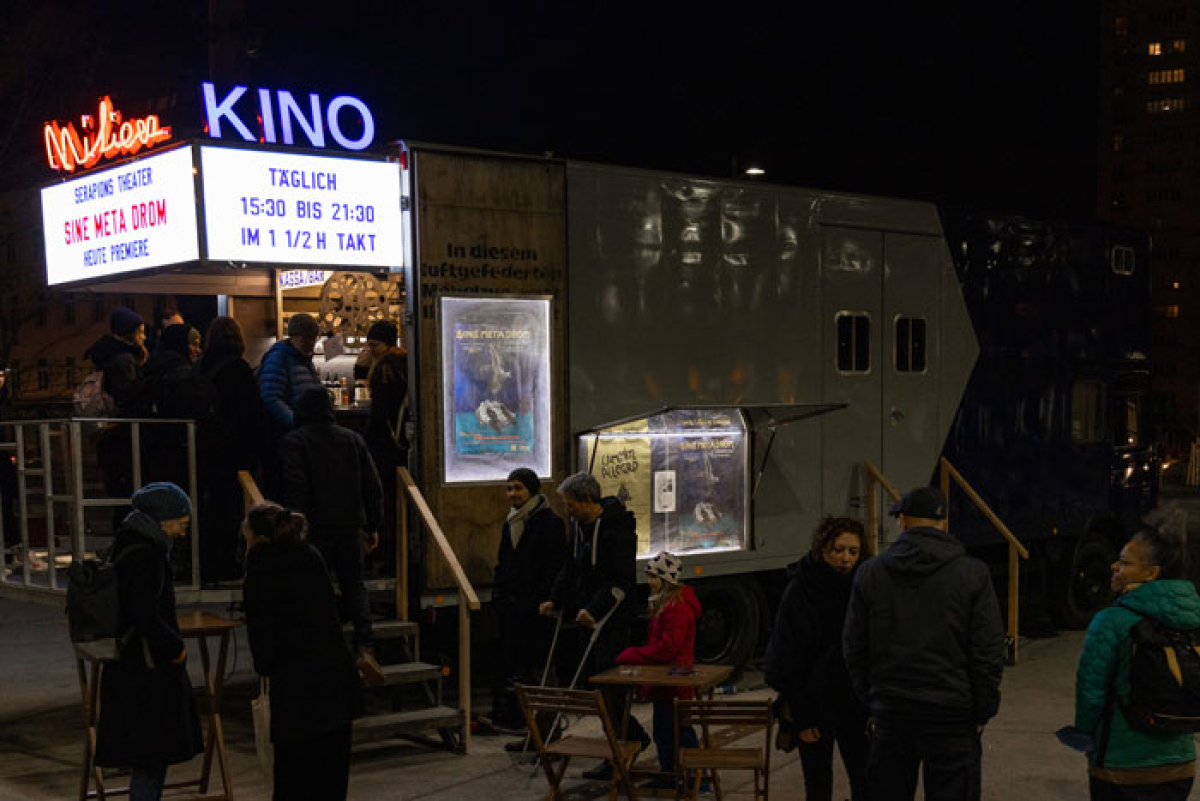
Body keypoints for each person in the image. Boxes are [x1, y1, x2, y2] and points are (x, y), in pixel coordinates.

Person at [843, 486, 1004, 801]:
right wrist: (981, 709)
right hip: (952, 715)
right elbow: (988, 651)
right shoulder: (973, 574)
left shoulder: (871, 573)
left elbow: (854, 648)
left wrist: (872, 699)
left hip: (892, 711)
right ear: (943, 523)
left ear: (901, 520)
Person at [242, 502, 364, 801]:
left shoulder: (259, 569)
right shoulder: (311, 556)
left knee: (293, 783)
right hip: (337, 685)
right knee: (331, 783)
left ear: (256, 536)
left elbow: (263, 646)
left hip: (297, 694)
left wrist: (267, 665)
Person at [1073, 525, 1200, 800]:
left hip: (1122, 768)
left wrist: (1084, 736)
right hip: (1180, 767)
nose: (1114, 566)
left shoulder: (1111, 621)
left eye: (1125, 562)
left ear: (1151, 573)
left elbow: (1090, 693)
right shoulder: (1193, 621)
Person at [94, 482, 203, 801]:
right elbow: (145, 614)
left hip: (128, 667)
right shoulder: (147, 555)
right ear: (162, 519)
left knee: (147, 758)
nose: (182, 532)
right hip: (146, 671)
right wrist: (175, 649)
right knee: (151, 759)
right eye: (181, 524)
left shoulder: (125, 544)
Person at [539, 471, 649, 780]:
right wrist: (556, 599)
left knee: (609, 689)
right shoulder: (579, 528)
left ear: (589, 501)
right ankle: (620, 744)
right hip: (585, 619)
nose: (568, 511)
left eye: (572, 505)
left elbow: (621, 580)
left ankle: (627, 743)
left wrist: (595, 609)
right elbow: (570, 568)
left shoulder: (618, 529)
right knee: (594, 688)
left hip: (611, 622)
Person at [281, 387, 384, 684]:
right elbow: (372, 486)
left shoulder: (295, 442)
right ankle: (365, 648)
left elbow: (296, 487)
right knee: (355, 586)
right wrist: (373, 524)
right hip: (351, 526)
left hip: (316, 530)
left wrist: (298, 527)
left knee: (316, 590)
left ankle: (324, 650)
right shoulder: (353, 439)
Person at [765, 517, 869, 801]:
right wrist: (802, 716)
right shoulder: (801, 589)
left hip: (856, 707)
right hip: (814, 707)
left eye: (853, 551)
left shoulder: (864, 588)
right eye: (838, 550)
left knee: (866, 782)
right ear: (822, 549)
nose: (846, 558)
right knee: (818, 788)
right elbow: (786, 658)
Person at [615, 551, 702, 789]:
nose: (649, 581)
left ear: (666, 579)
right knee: (666, 730)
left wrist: (634, 655)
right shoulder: (667, 603)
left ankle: (694, 779)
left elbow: (667, 648)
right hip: (667, 680)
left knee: (678, 730)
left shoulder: (677, 607)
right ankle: (672, 774)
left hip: (674, 681)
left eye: (653, 576)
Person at [492, 468, 566, 740]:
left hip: (537, 612)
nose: (512, 494)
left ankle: (548, 735)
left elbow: (554, 567)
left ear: (532, 490)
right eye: (509, 488)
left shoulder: (549, 523)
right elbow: (504, 563)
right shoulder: (510, 522)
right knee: (521, 677)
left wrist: (541, 599)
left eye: (518, 488)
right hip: (514, 611)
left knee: (541, 674)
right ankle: (533, 735)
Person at [196, 316, 264, 583]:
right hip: (234, 452)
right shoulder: (238, 369)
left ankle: (207, 564)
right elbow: (253, 416)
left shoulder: (201, 368)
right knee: (231, 510)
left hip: (207, 449)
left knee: (210, 508)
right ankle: (227, 564)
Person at [85, 307, 150, 531]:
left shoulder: (106, 356)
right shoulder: (124, 360)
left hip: (109, 436)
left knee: (120, 497)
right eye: (140, 332)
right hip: (123, 438)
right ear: (128, 332)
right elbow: (129, 397)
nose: (144, 337)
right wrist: (148, 384)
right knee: (129, 497)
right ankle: (126, 549)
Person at [362, 320, 409, 576]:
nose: (372, 350)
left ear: (388, 343)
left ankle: (386, 552)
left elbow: (381, 410)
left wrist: (366, 439)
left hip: (385, 445)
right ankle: (396, 551)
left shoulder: (386, 367)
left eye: (375, 345)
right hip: (400, 443)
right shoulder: (404, 361)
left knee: (384, 496)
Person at [258, 312, 321, 499]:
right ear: (294, 336)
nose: (310, 342)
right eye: (306, 337)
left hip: (300, 436)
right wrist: (297, 424)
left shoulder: (303, 359)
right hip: (285, 438)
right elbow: (271, 397)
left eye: (313, 338)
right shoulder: (279, 358)